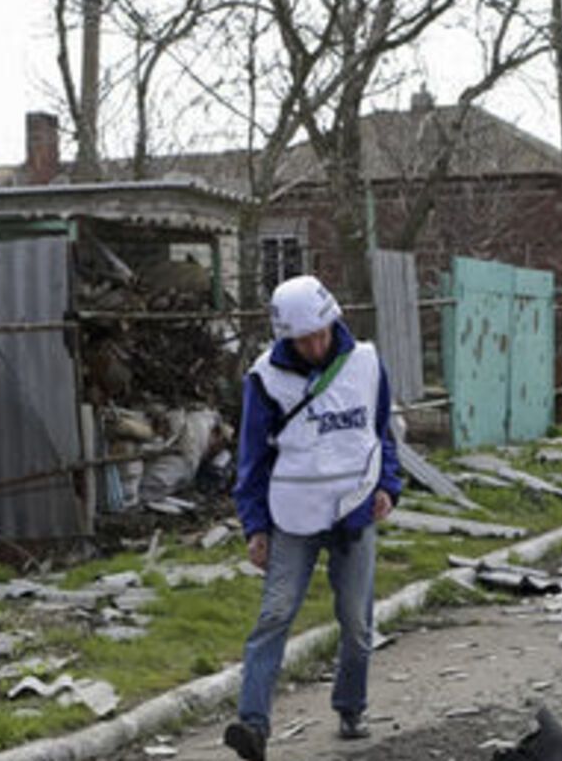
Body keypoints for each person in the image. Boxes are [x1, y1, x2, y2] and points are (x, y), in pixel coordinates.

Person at [225, 276, 402, 761]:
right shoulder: (265, 378)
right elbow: (252, 460)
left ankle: (351, 708)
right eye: (304, 340)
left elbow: (381, 428)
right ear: (286, 337)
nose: (316, 345)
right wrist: (255, 527)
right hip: (291, 515)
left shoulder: (365, 362)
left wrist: (388, 485)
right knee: (275, 614)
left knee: (357, 624)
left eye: (322, 334)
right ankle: (253, 725)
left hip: (354, 509)